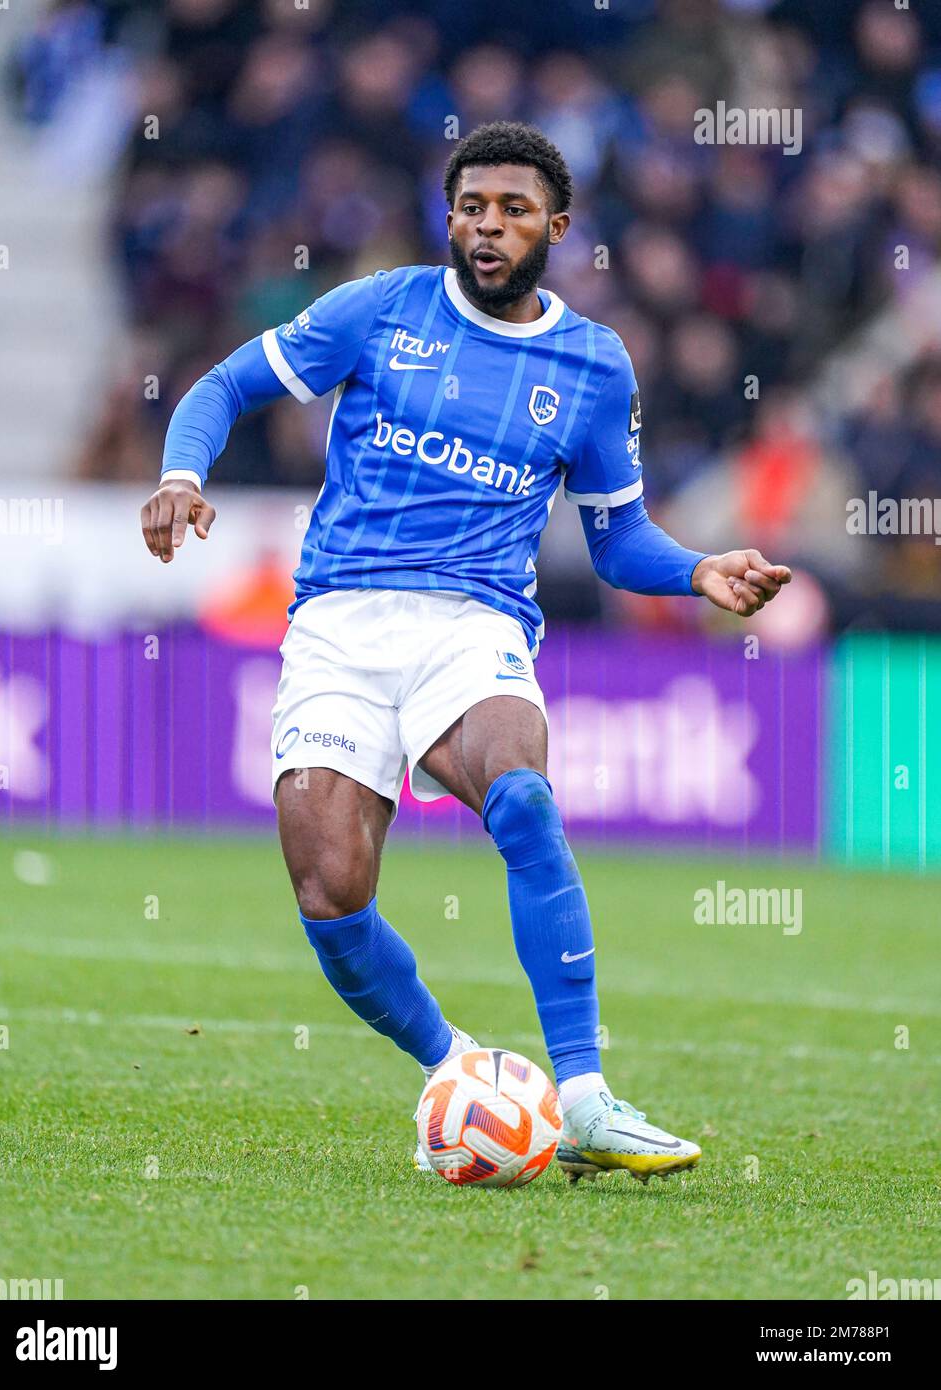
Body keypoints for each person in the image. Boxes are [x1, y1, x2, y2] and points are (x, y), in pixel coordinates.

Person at [141, 121, 791, 1184]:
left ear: (558, 228)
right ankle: (459, 1071)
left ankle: (581, 1098)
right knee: (329, 891)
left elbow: (617, 537)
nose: (489, 229)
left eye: (514, 211)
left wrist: (698, 570)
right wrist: (181, 476)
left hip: (474, 622)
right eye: (472, 209)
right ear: (451, 217)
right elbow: (220, 388)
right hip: (340, 626)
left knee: (525, 799)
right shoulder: (380, 308)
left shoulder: (591, 364)